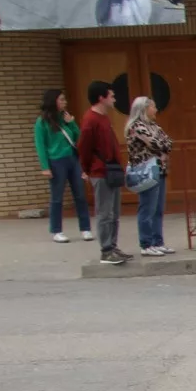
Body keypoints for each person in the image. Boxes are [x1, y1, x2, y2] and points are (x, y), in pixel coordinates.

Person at [76, 80, 131, 265]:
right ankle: (106, 250)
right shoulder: (90, 120)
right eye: (111, 95)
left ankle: (113, 246)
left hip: (111, 169)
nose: (114, 99)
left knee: (114, 212)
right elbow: (83, 147)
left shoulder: (104, 118)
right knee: (105, 212)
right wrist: (86, 169)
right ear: (101, 97)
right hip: (100, 171)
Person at [34, 88, 92, 243]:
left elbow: (79, 139)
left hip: (72, 159)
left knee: (80, 195)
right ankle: (56, 230)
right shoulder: (42, 122)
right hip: (56, 161)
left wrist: (71, 123)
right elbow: (41, 145)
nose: (64, 102)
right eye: (61, 99)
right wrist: (45, 167)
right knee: (57, 197)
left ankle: (85, 229)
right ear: (53, 101)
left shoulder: (65, 118)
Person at [123, 96, 175, 255]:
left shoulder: (154, 126)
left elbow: (169, 143)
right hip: (146, 171)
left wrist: (163, 146)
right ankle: (146, 244)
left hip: (160, 170)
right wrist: (162, 148)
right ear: (144, 109)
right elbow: (157, 143)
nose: (156, 110)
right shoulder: (136, 127)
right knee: (148, 208)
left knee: (158, 208)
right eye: (153, 107)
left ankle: (157, 241)